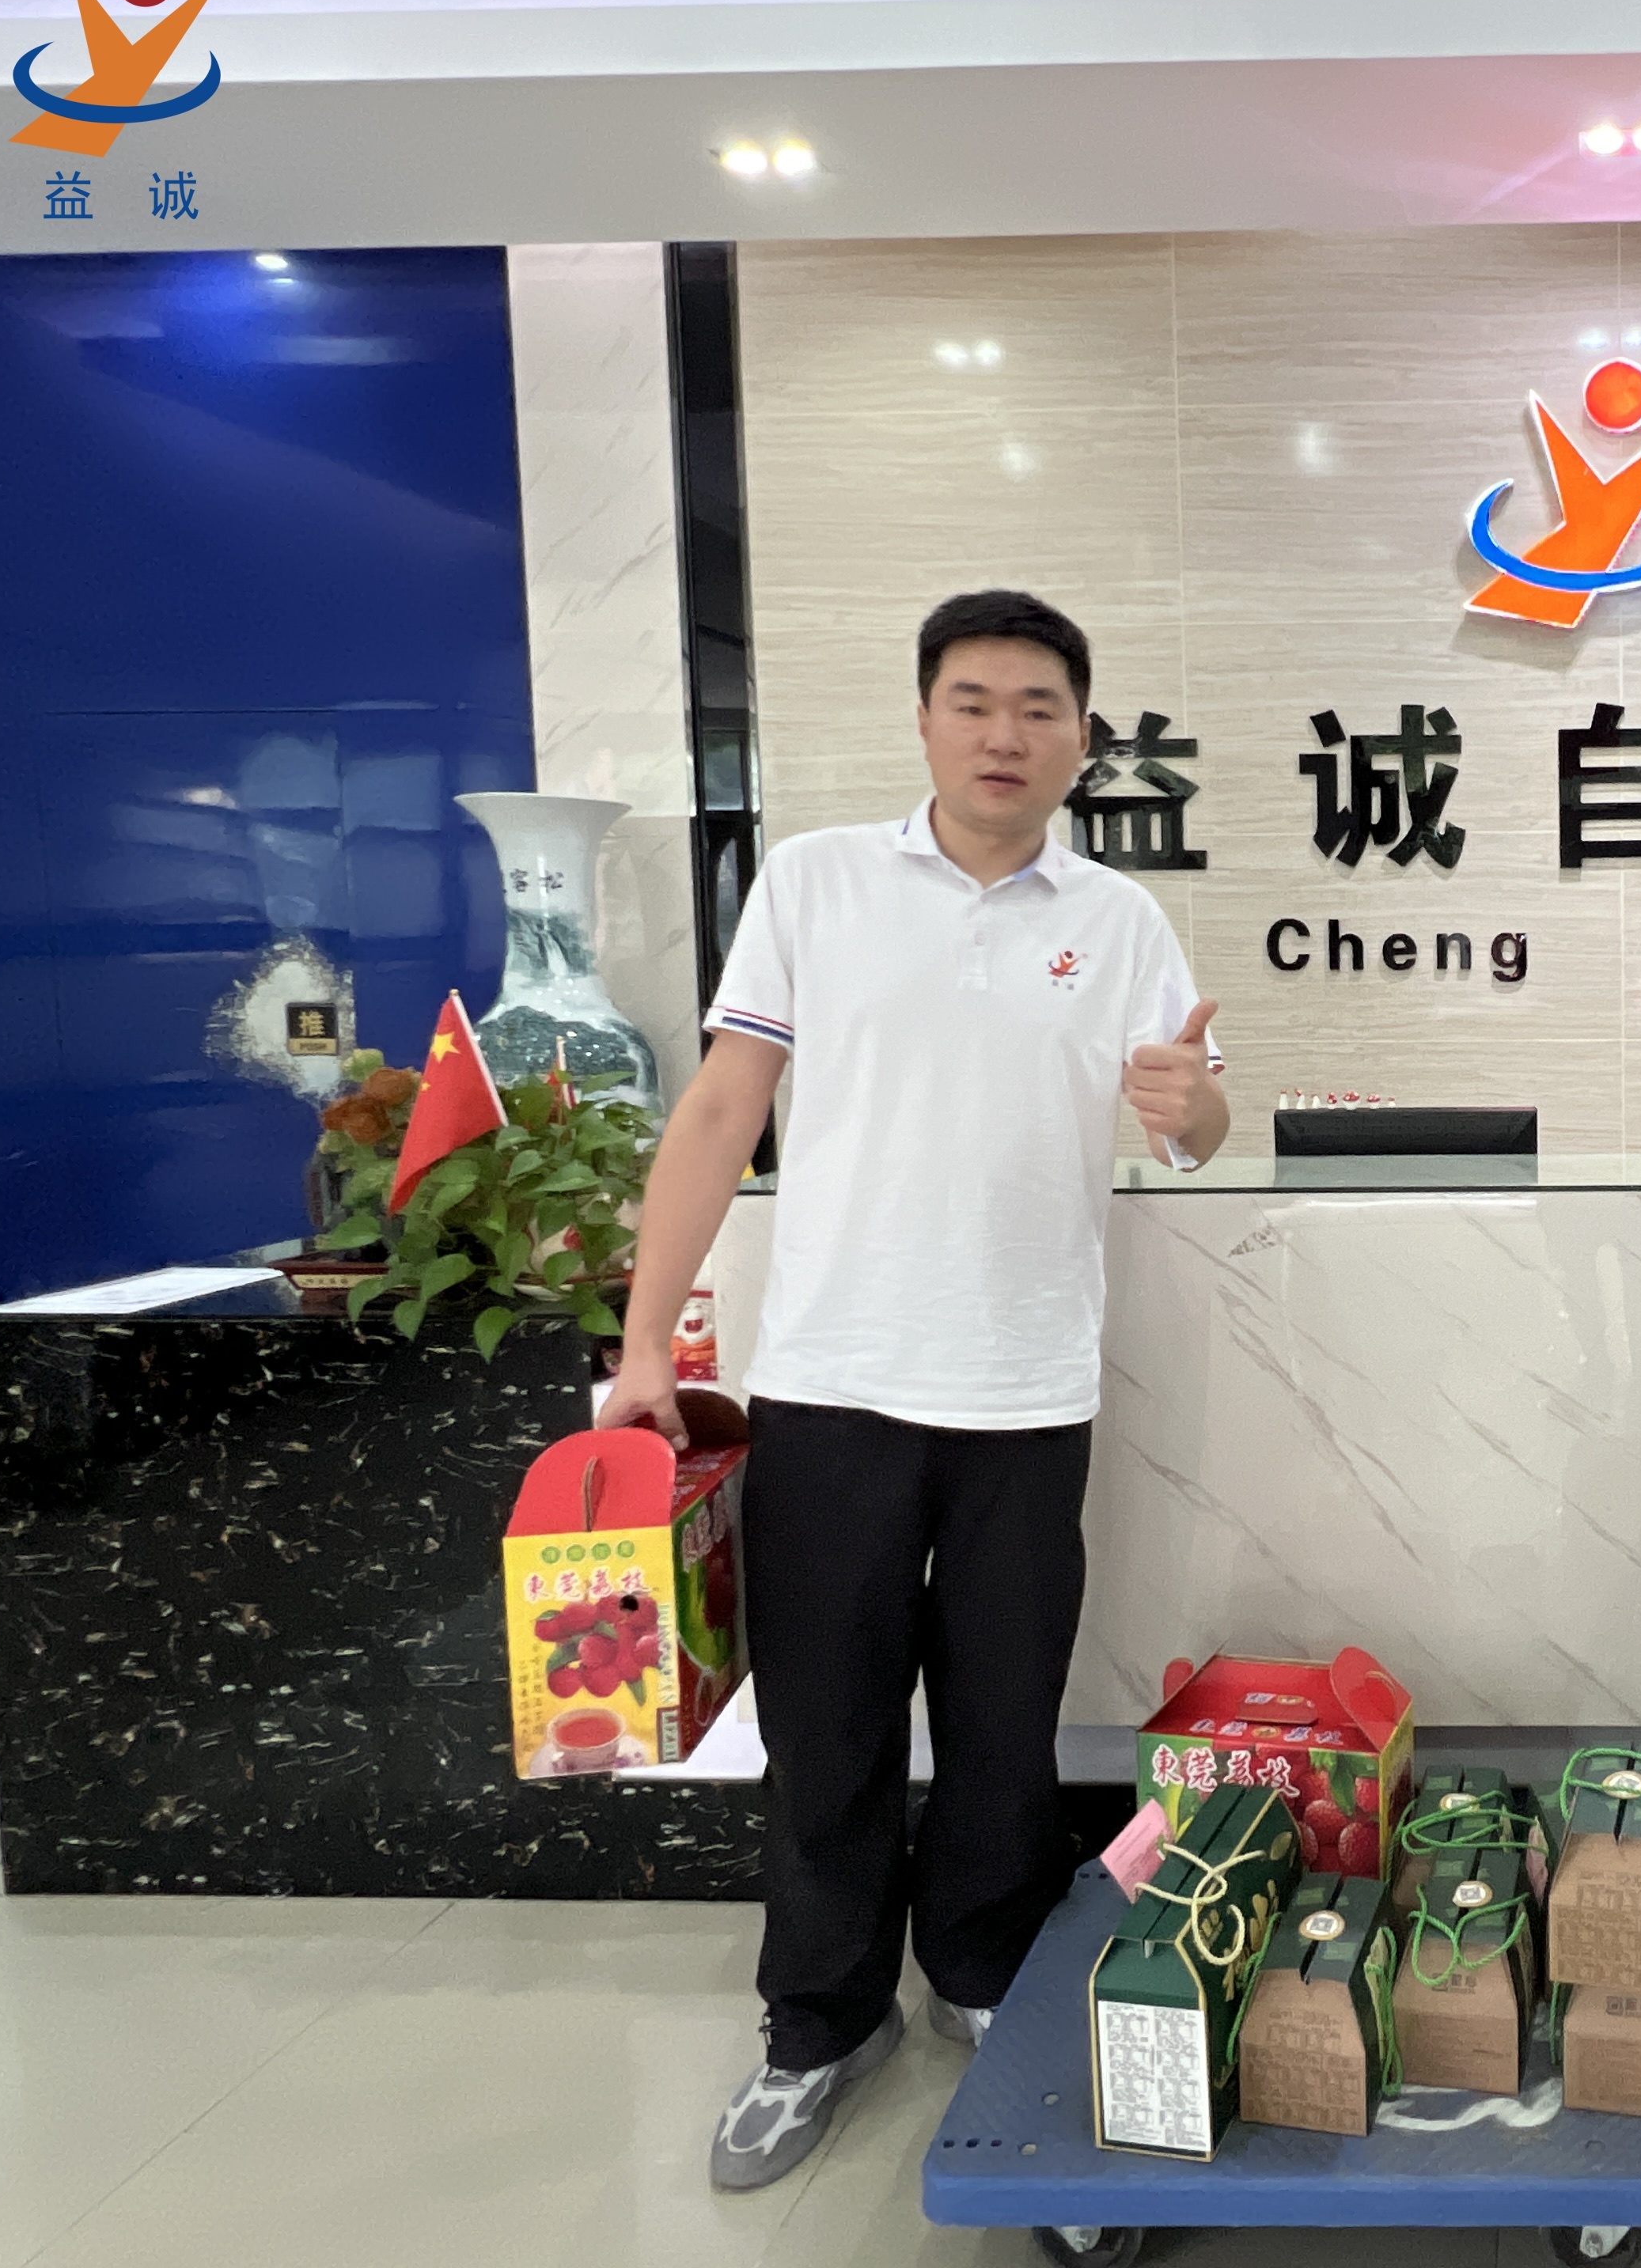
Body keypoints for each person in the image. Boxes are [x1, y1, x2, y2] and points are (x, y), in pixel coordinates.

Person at [593, 589, 1229, 2193]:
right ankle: (817, 2025)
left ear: (1084, 738)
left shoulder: (1122, 920)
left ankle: (980, 1977)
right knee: (829, 1729)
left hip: (1027, 1393)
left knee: (1006, 1727)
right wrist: (644, 1347)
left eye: (1039, 707)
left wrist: (1192, 1106)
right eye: (973, 701)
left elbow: (1194, 1129)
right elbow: (721, 1110)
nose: (1005, 734)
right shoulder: (816, 881)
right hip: (833, 1384)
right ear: (926, 718)